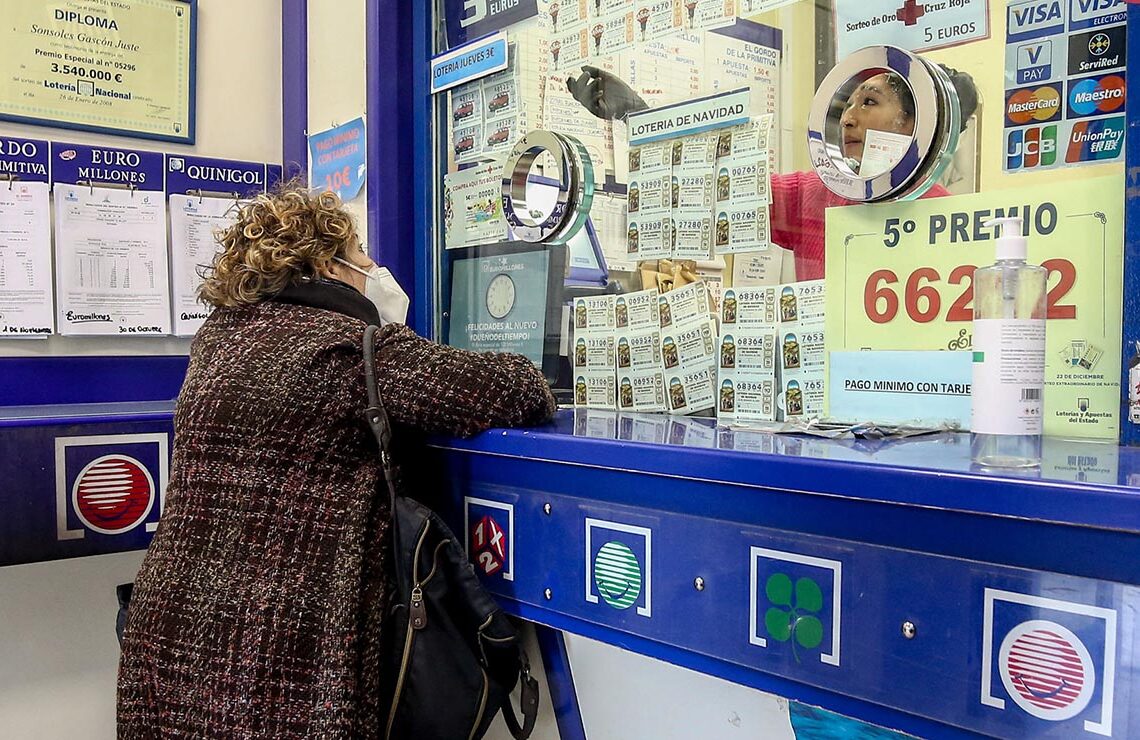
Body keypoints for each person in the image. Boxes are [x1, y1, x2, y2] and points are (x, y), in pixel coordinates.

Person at [117, 183, 556, 738]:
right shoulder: (351, 348)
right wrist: (392, 330)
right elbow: (514, 387)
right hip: (277, 653)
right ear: (329, 262)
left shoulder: (218, 339)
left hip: (170, 633)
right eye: (362, 253)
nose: (376, 266)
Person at [567, 62, 978, 280]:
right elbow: (721, 182)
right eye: (847, 105)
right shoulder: (814, 193)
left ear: (913, 123)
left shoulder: (944, 220)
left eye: (869, 102)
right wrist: (641, 117)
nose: (849, 119)